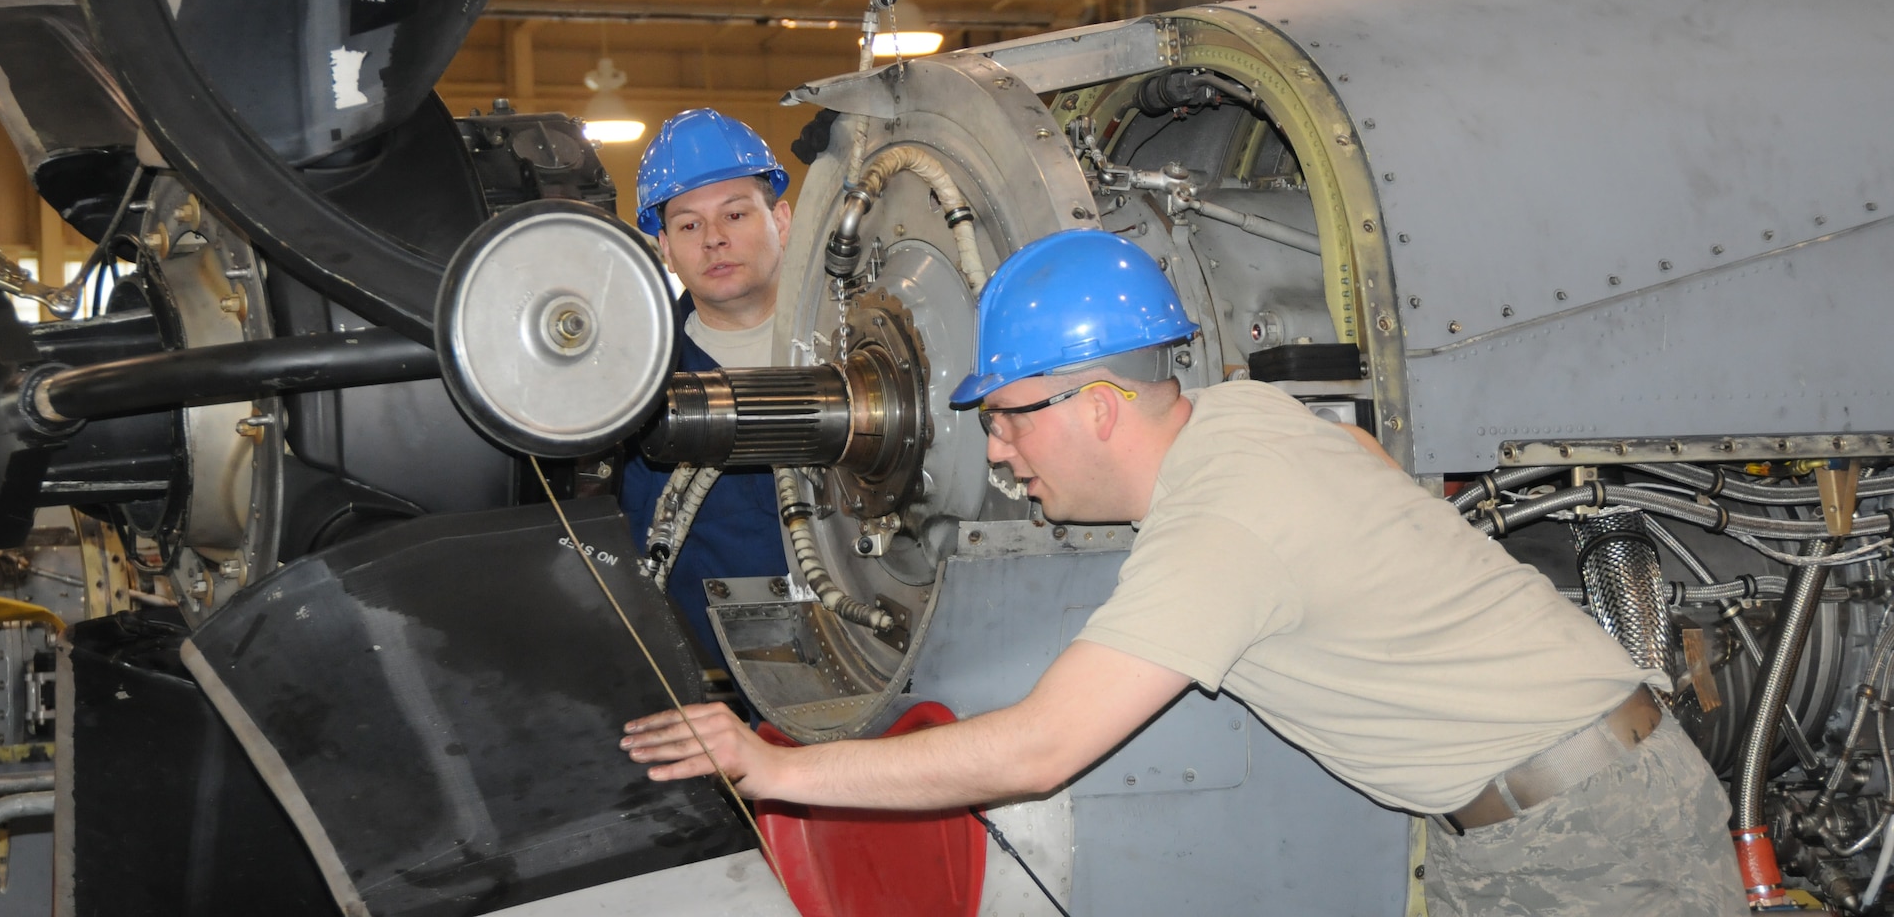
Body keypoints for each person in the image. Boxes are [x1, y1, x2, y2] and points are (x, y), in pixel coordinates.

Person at [620, 228, 1746, 916]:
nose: (997, 452)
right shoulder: (1243, 414)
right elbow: (1356, 455)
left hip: (1585, 840)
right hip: (1532, 814)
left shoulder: (1218, 532)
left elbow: (1038, 746)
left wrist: (770, 767)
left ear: (1098, 404)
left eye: (1007, 421)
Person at [619, 108, 793, 663]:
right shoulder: (634, 389)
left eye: (736, 214)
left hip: (883, 671)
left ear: (782, 221)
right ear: (665, 248)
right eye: (688, 225)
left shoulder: (864, 354)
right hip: (711, 699)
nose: (714, 239)